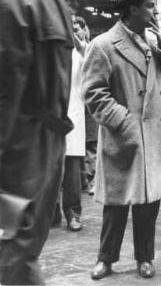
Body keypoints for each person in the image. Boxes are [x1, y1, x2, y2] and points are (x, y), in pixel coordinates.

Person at [82, 0, 161, 280]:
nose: (155, 10)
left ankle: (145, 257)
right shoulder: (103, 45)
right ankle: (105, 258)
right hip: (123, 136)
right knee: (116, 204)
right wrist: (124, 121)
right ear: (132, 9)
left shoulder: (155, 42)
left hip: (152, 137)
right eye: (150, 5)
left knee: (148, 203)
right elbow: (93, 94)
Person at [0, 0, 74, 285]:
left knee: (11, 265)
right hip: (47, 154)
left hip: (14, 156)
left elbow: (4, 94)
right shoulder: (55, 1)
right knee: (21, 257)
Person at [60, 17, 88, 232]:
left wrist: (77, 41)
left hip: (73, 115)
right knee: (50, 168)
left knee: (71, 170)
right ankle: (50, 213)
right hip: (50, 116)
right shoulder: (50, 51)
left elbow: (90, 60)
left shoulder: (80, 52)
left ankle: (72, 212)